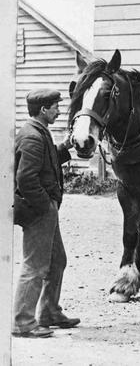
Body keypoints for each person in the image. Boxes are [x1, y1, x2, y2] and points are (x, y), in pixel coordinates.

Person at [12, 89, 80, 338]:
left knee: (57, 260)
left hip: (44, 209)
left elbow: (46, 163)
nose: (58, 111)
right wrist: (45, 207)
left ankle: (49, 312)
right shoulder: (32, 137)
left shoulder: (38, 132)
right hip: (39, 211)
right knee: (35, 266)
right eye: (55, 107)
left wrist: (66, 146)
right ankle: (23, 323)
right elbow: (26, 178)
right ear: (43, 110)